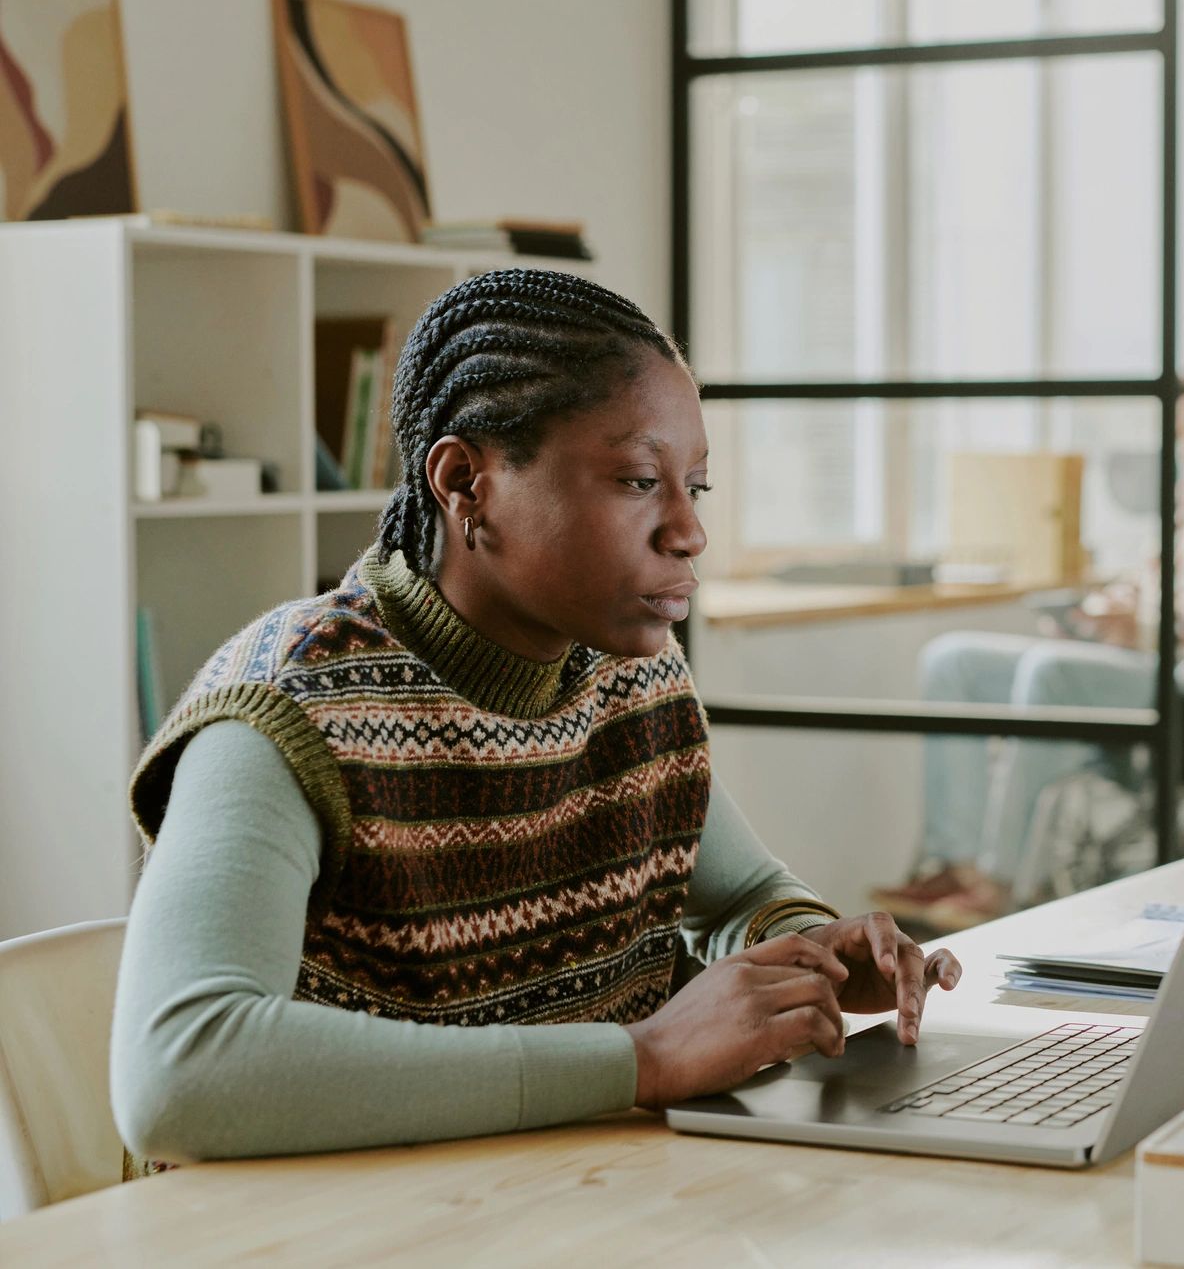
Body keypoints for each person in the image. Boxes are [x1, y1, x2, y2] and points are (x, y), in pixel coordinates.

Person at [111, 269, 961, 1165]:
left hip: (564, 1191)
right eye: (639, 481)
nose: (687, 532)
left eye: (695, 487)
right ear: (464, 483)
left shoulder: (630, 674)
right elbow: (180, 1074)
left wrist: (807, 957)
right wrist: (642, 1059)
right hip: (320, 1221)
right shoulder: (286, 708)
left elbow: (742, 896)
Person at [875, 362, 1184, 928]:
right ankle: (953, 863)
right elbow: (1145, 579)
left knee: (1051, 673)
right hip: (1137, 655)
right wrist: (1094, 615)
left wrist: (1154, 625)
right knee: (952, 660)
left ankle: (999, 882)